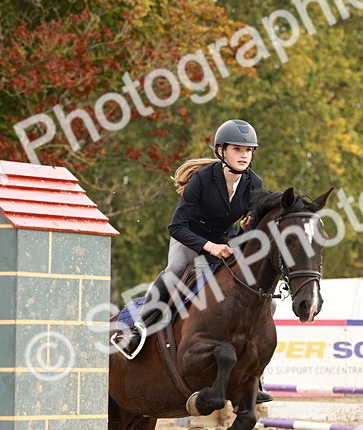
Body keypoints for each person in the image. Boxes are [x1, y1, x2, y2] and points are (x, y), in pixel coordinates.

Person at [116, 119, 273, 402]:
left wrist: (249, 225)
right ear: (221, 151)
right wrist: (209, 247)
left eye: (249, 150)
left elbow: (250, 222)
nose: (244, 155)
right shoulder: (203, 179)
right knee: (175, 270)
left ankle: (253, 373)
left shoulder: (254, 182)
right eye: (237, 149)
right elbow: (177, 226)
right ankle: (137, 329)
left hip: (225, 242)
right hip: (190, 238)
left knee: (257, 294)